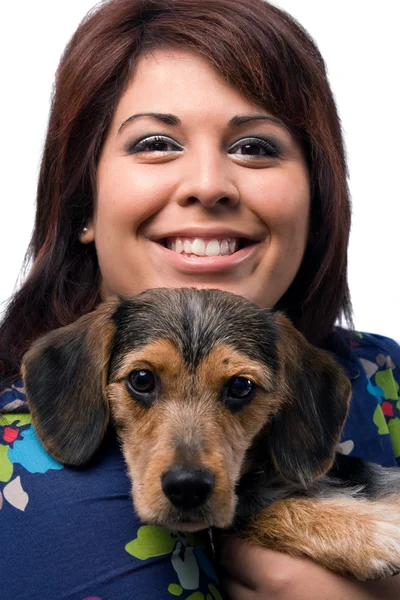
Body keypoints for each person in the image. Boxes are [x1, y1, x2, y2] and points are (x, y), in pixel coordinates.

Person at [0, 0, 399, 598]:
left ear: (315, 199)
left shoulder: (378, 370)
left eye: (256, 147)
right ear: (82, 204)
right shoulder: (35, 479)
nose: (209, 185)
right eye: (156, 142)